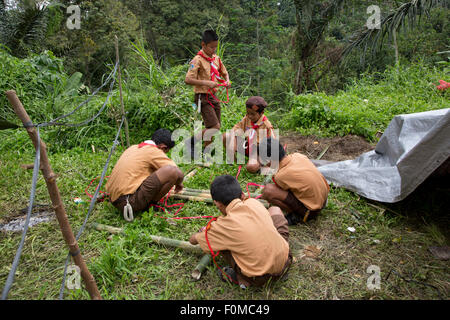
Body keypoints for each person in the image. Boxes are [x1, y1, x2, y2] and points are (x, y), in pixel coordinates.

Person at [189, 175, 291, 288]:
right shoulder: (253, 203)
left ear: (217, 203)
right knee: (274, 209)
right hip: (286, 261)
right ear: (242, 194)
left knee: (222, 244)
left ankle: (242, 279)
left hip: (261, 278)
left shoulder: (222, 227)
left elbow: (193, 240)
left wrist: (201, 233)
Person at [105, 129, 184, 220]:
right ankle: (150, 206)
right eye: (166, 152)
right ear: (163, 147)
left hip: (114, 199)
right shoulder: (153, 151)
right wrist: (179, 183)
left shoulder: (133, 147)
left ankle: (145, 202)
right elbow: (177, 172)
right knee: (171, 172)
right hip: (129, 203)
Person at [258, 138, 329, 225]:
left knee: (269, 191)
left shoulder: (281, 176)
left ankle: (298, 216)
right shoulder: (298, 156)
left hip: (311, 211)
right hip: (324, 200)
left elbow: (281, 190)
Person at [185, 29, 231, 150]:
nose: (214, 50)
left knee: (213, 127)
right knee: (215, 127)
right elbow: (188, 80)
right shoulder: (197, 60)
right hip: (202, 96)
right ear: (203, 45)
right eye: (211, 47)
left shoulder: (216, 59)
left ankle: (207, 151)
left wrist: (227, 81)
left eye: (215, 47)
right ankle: (192, 141)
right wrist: (206, 83)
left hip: (213, 96)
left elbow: (225, 73)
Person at [223, 96, 276, 173]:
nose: (250, 116)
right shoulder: (247, 118)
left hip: (258, 151)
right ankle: (234, 162)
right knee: (226, 136)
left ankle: (259, 166)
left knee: (251, 167)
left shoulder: (267, 125)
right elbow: (236, 128)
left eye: (253, 114)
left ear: (261, 113)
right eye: (248, 113)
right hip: (247, 146)